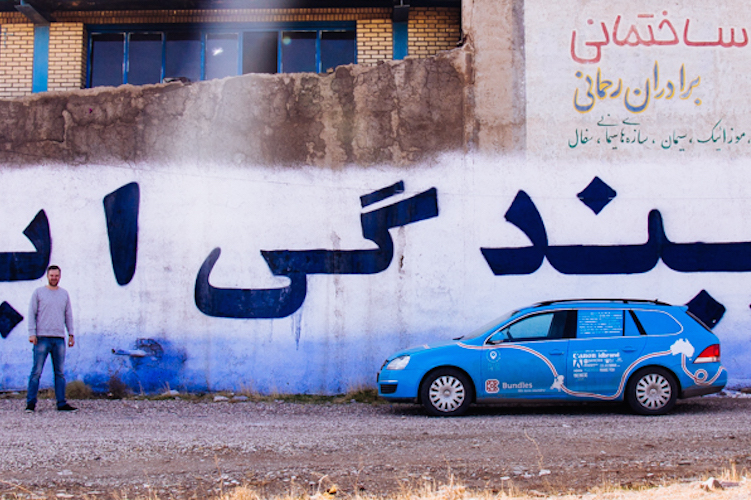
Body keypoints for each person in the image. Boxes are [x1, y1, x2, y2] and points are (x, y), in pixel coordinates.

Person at [26, 265, 77, 413]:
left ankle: (61, 403)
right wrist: (32, 333)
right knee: (36, 372)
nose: (54, 278)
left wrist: (71, 333)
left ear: (59, 277)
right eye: (51, 275)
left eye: (56, 275)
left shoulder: (64, 294)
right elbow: (31, 314)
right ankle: (30, 404)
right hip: (41, 338)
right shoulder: (38, 293)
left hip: (59, 339)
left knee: (60, 373)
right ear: (47, 276)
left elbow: (68, 315)